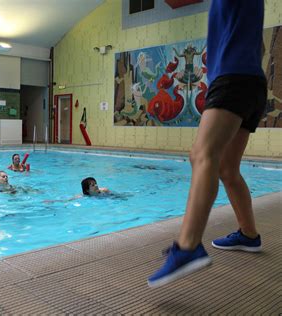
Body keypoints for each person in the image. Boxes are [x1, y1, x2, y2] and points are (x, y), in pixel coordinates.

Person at [148, 0, 267, 288]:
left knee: (202, 155)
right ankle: (249, 235)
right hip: (252, 82)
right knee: (227, 167)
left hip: (232, 79)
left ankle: (188, 246)